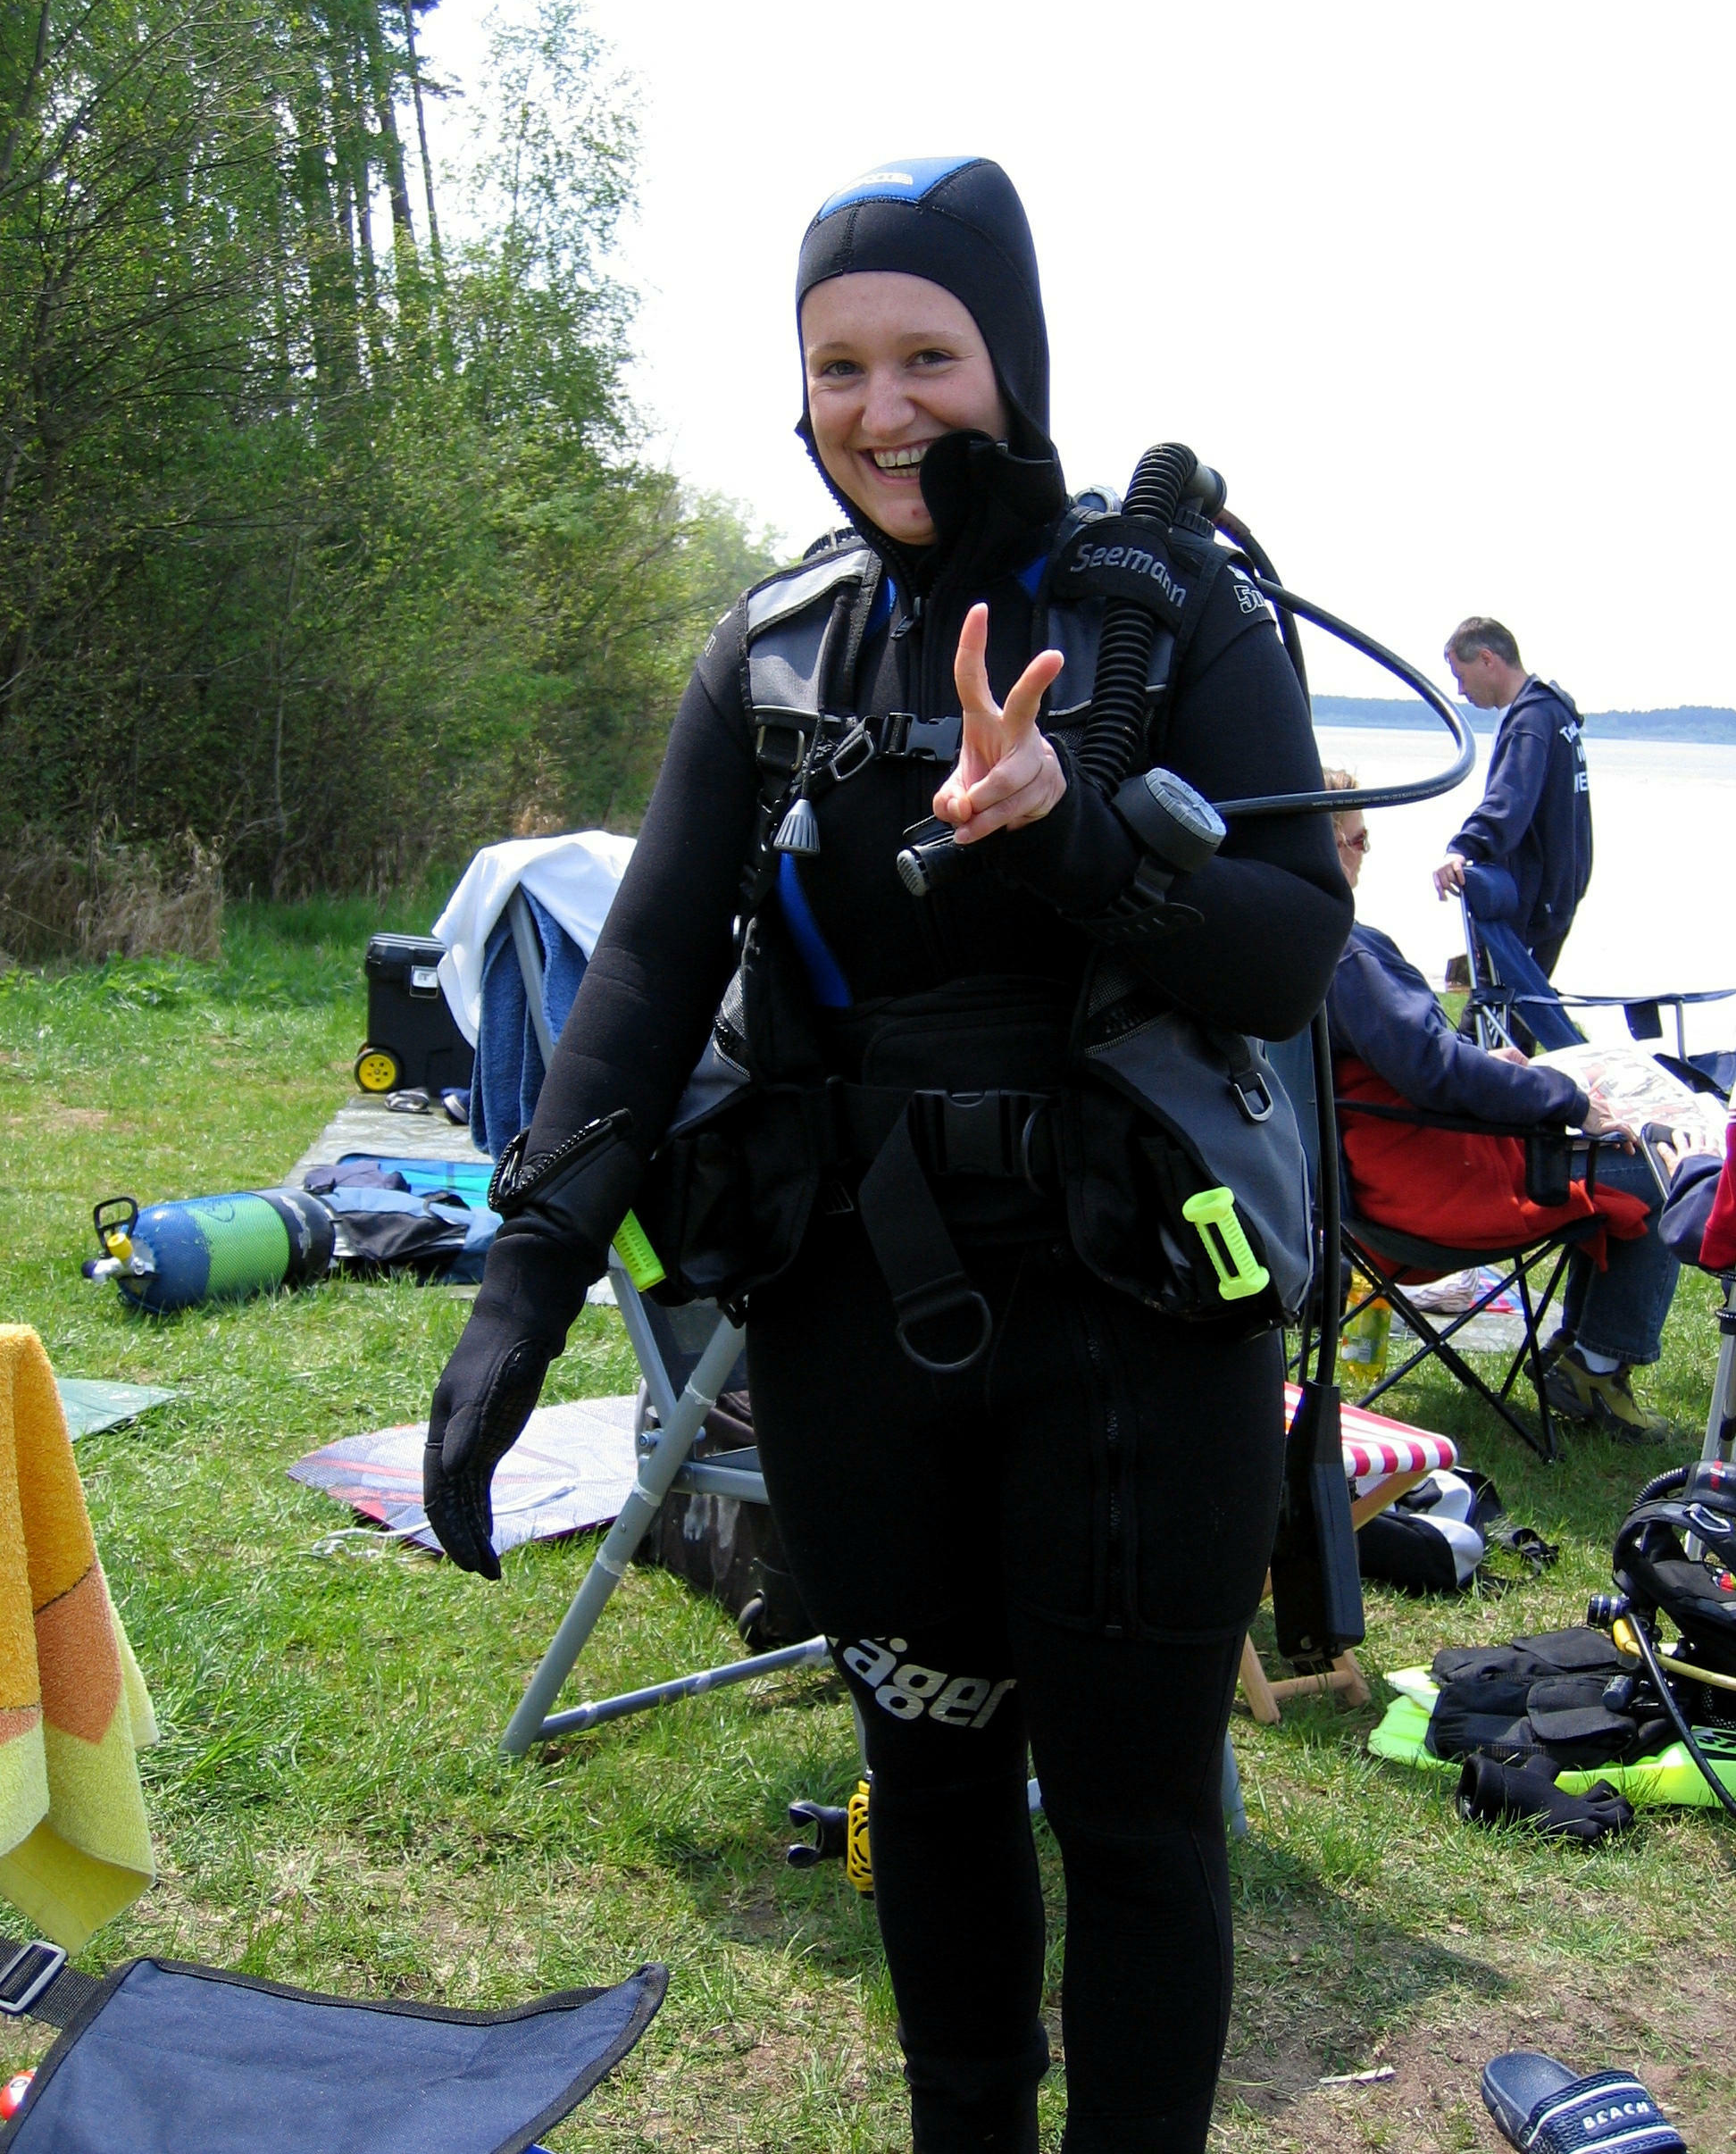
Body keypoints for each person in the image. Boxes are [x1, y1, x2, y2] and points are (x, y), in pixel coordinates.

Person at [422, 155, 1351, 2154]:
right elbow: (647, 971)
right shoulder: (775, 652)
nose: (880, 407)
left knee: (1136, 1822)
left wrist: (1076, 831)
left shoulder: (1169, 611)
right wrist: (522, 1285)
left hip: (1132, 1323)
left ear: (1010, 361)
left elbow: (1291, 949)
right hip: (864, 1322)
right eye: (835, 366)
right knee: (923, 1783)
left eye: (927, 354)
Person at [1329, 772, 1688, 1443]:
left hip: (1367, 1186)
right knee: (1660, 1164)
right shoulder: (1348, 952)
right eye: (1360, 839)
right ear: (1327, 847)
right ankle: (1596, 1368)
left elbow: (1418, 1062)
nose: (1367, 854)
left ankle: (1582, 1352)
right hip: (1432, 1190)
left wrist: (1490, 1066)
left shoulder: (1287, 946)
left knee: (1614, 1149)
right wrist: (1566, 1098)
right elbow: (1434, 1072)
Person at [1431, 618, 1592, 1028]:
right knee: (1520, 1019)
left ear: (1487, 659)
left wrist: (1464, 847)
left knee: (1494, 1017)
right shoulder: (1554, 713)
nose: (1460, 690)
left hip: (1532, 903)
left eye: (1461, 675)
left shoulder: (1530, 722)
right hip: (1558, 893)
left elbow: (1510, 802)